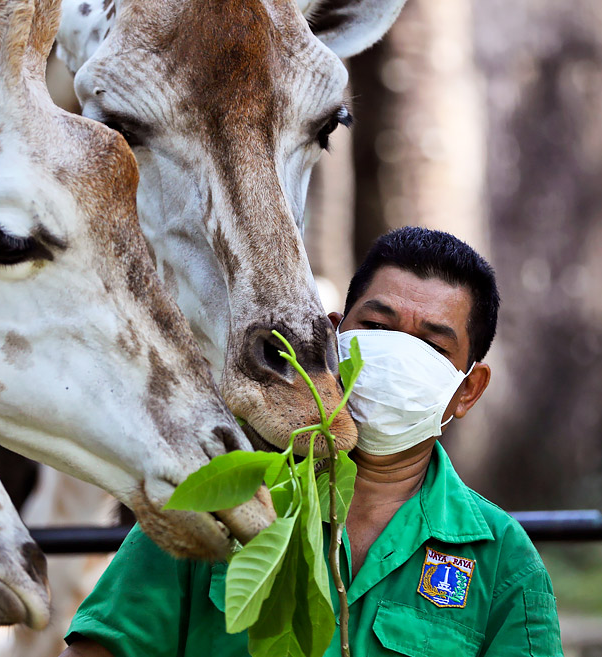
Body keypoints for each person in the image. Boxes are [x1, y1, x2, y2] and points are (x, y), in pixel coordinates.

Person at [60, 227, 563, 657]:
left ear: (468, 390)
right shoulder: (221, 496)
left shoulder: (502, 561)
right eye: (377, 326)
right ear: (333, 338)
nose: (395, 356)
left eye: (431, 345)